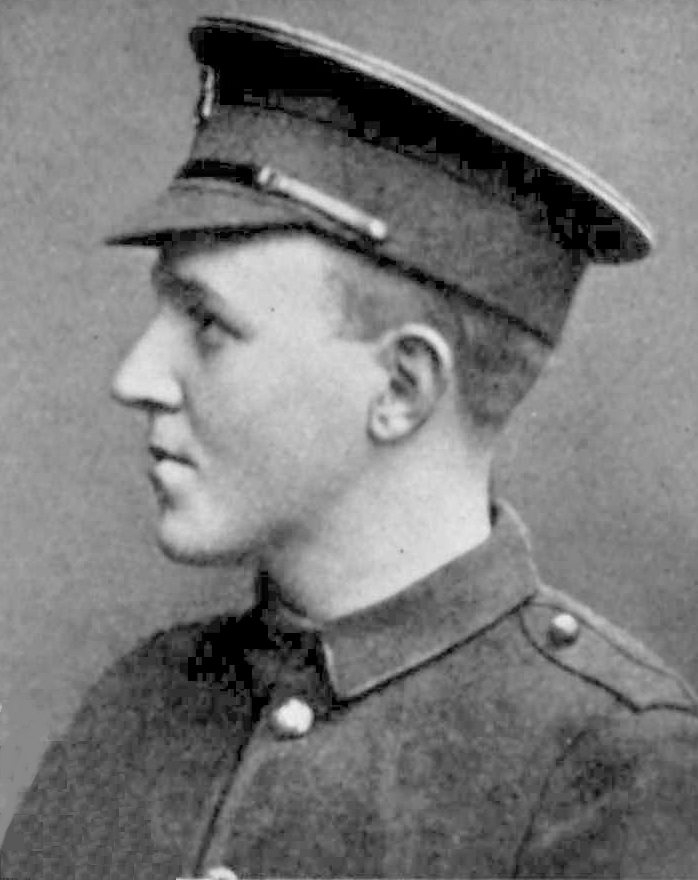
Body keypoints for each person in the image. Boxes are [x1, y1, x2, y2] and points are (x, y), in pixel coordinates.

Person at [3, 15, 698, 879]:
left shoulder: (608, 769)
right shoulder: (145, 705)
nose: (135, 376)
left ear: (402, 388)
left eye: (209, 324)